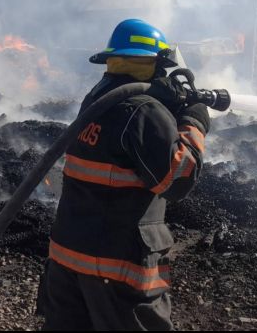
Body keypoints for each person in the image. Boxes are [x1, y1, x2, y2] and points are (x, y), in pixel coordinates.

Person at [36, 18, 211, 331]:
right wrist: (194, 123)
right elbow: (177, 179)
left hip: (67, 260)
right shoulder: (143, 110)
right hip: (116, 269)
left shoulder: (97, 101)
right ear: (156, 64)